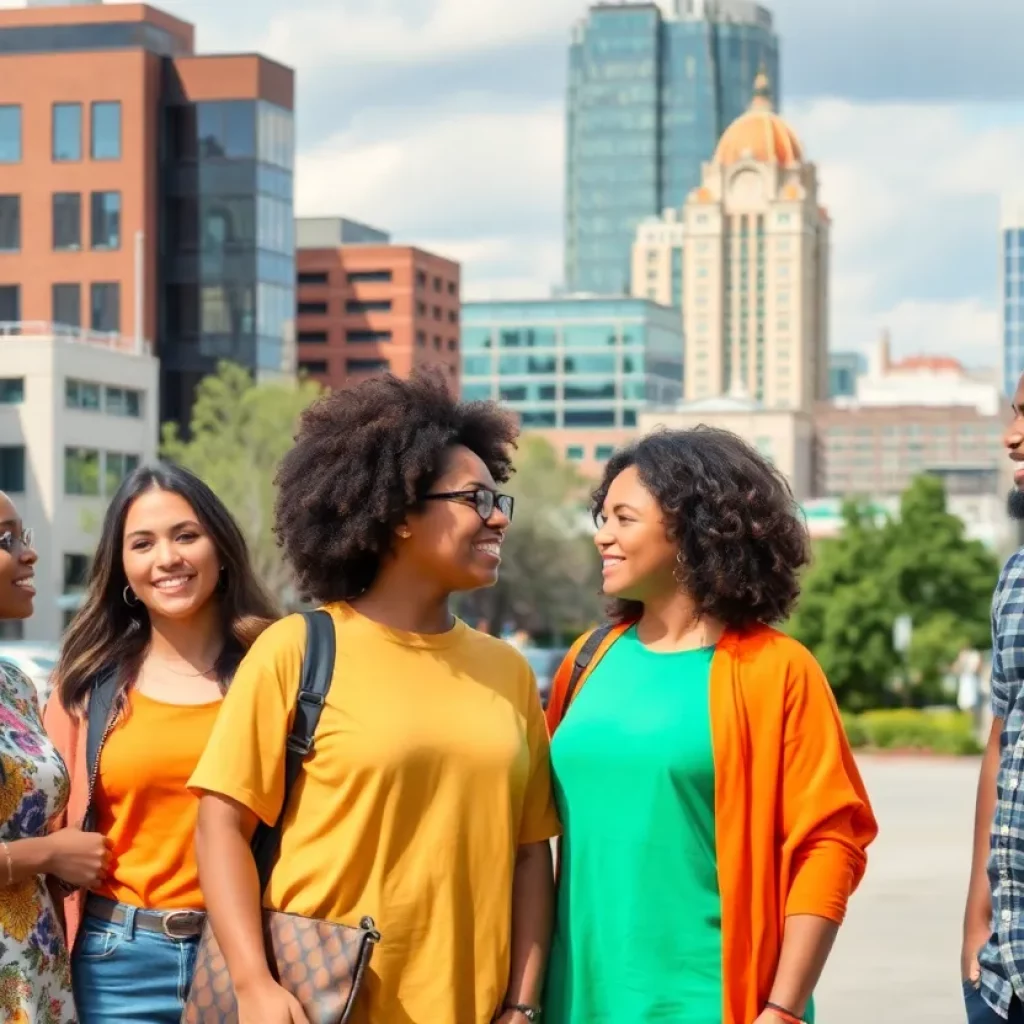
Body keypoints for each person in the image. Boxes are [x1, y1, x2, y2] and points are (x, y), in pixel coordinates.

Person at [189, 372, 560, 1024]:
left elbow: (531, 855)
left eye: (499, 497)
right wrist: (253, 985)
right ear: (399, 512)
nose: (497, 515)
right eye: (476, 498)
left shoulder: (507, 672)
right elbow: (220, 826)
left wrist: (523, 1006)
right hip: (316, 1008)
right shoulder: (297, 651)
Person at [544, 427, 878, 1024]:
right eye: (603, 516)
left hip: (711, 1000)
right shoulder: (586, 660)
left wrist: (783, 1008)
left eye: (624, 518)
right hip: (573, 1000)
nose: (603, 535)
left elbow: (829, 846)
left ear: (692, 529)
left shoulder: (778, 670)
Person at [44, 465, 279, 1023]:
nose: (167, 558)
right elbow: (43, 826)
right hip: (115, 959)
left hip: (254, 958)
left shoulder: (276, 667)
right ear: (123, 567)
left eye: (186, 536)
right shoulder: (87, 686)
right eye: (142, 543)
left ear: (221, 548)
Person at [0, 491, 110, 1024]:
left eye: (25, 537)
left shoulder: (15, 685)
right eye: (5, 539)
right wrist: (44, 855)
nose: (29, 554)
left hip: (34, 969)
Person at [961, 375, 1024, 1023]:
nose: (1011, 436)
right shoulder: (1016, 577)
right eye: (1014, 414)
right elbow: (1001, 741)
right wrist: (975, 922)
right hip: (1006, 969)